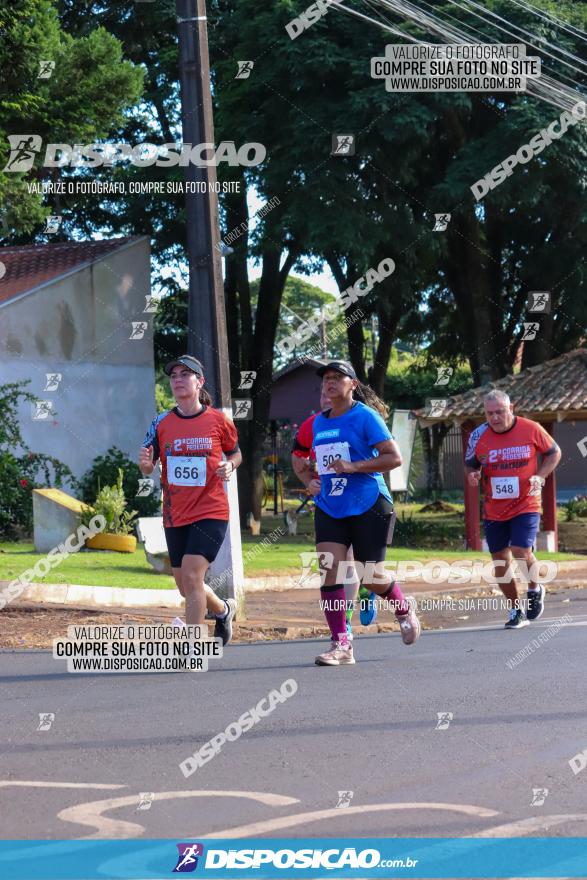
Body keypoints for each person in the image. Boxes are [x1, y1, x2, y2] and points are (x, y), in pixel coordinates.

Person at [295, 360, 421, 666]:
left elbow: (394, 458)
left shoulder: (365, 416)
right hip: (330, 504)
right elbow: (303, 458)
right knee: (330, 571)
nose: (330, 382)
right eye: (326, 378)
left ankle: (403, 608)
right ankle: (342, 644)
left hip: (368, 503)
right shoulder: (317, 423)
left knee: (369, 574)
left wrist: (354, 466)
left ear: (353, 384)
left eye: (338, 377)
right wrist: (310, 481)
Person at [139, 355, 242, 643]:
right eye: (174, 376)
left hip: (211, 511)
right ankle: (223, 611)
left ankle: (194, 645)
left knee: (194, 576)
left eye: (186, 374)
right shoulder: (161, 423)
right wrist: (146, 463)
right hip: (175, 514)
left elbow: (236, 453)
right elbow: (148, 465)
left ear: (200, 382)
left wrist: (229, 465)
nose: (178, 380)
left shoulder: (218, 420)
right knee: (186, 585)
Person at [465, 389, 561, 629]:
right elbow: (470, 467)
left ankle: (534, 587)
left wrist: (539, 476)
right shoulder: (479, 436)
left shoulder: (531, 428)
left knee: (520, 550)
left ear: (511, 408)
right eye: (489, 413)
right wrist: (473, 476)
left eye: (499, 411)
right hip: (494, 507)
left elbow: (554, 453)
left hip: (526, 502)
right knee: (500, 560)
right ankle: (515, 610)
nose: (495, 417)